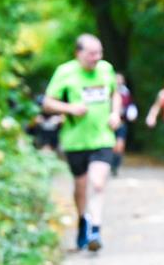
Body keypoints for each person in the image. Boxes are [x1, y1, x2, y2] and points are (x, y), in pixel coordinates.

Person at [42, 34, 123, 252]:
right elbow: (47, 103)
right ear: (78, 53)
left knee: (97, 183)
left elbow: (115, 94)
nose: (96, 58)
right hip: (75, 141)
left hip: (103, 138)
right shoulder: (65, 72)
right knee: (81, 186)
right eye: (91, 54)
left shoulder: (106, 69)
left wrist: (115, 113)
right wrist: (70, 108)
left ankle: (95, 230)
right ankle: (82, 222)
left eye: (99, 53)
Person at [111, 73, 138, 176]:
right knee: (112, 146)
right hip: (110, 124)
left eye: (120, 79)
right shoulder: (108, 91)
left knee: (120, 145)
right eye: (117, 79)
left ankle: (116, 166)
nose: (118, 81)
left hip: (122, 123)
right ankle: (111, 164)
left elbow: (130, 106)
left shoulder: (126, 92)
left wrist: (132, 113)